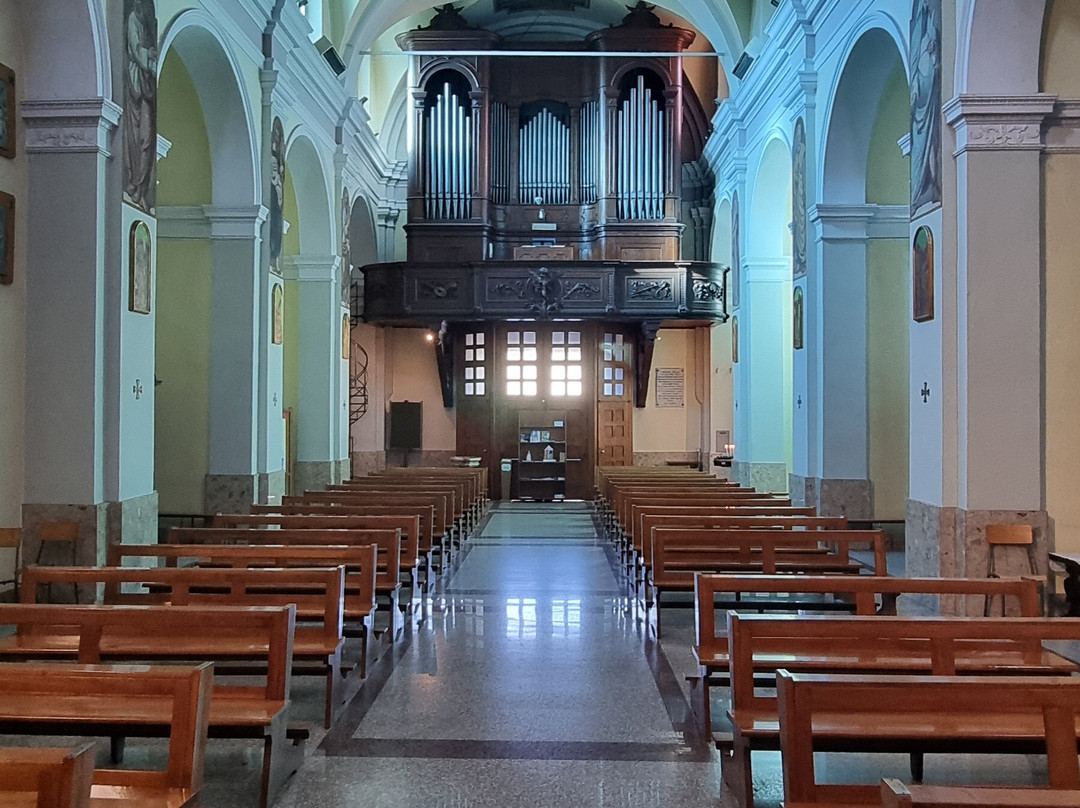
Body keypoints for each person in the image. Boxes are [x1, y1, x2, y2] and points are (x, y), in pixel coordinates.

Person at [124, 0, 157, 213]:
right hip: (136, 79)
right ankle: (134, 184)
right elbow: (135, 49)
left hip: (146, 84)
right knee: (139, 136)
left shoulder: (146, 22)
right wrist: (148, 55)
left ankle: (140, 188)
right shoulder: (132, 19)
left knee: (147, 138)